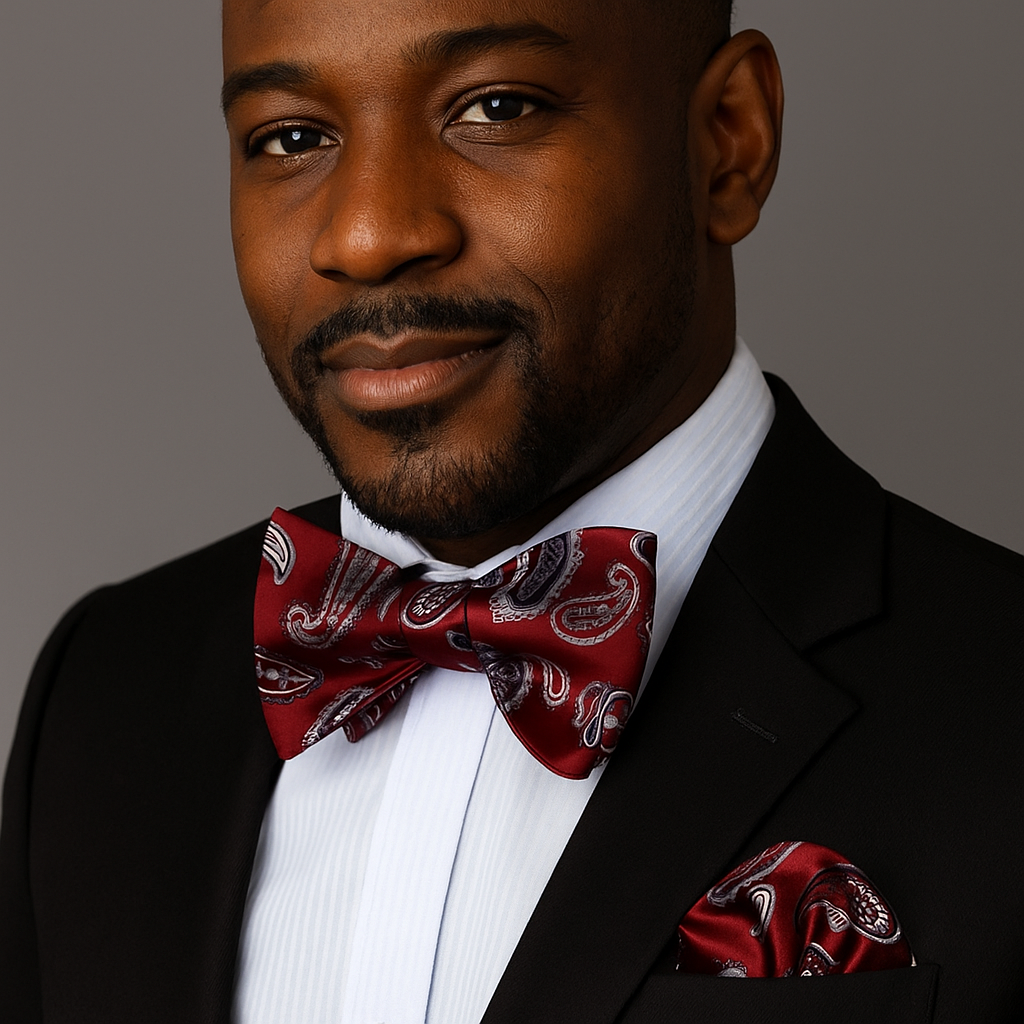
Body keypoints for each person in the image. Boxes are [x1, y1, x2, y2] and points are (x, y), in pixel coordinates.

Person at [2, 0, 1021, 1021]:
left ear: (728, 145)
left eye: (495, 108)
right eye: (292, 137)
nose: (366, 236)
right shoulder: (103, 695)